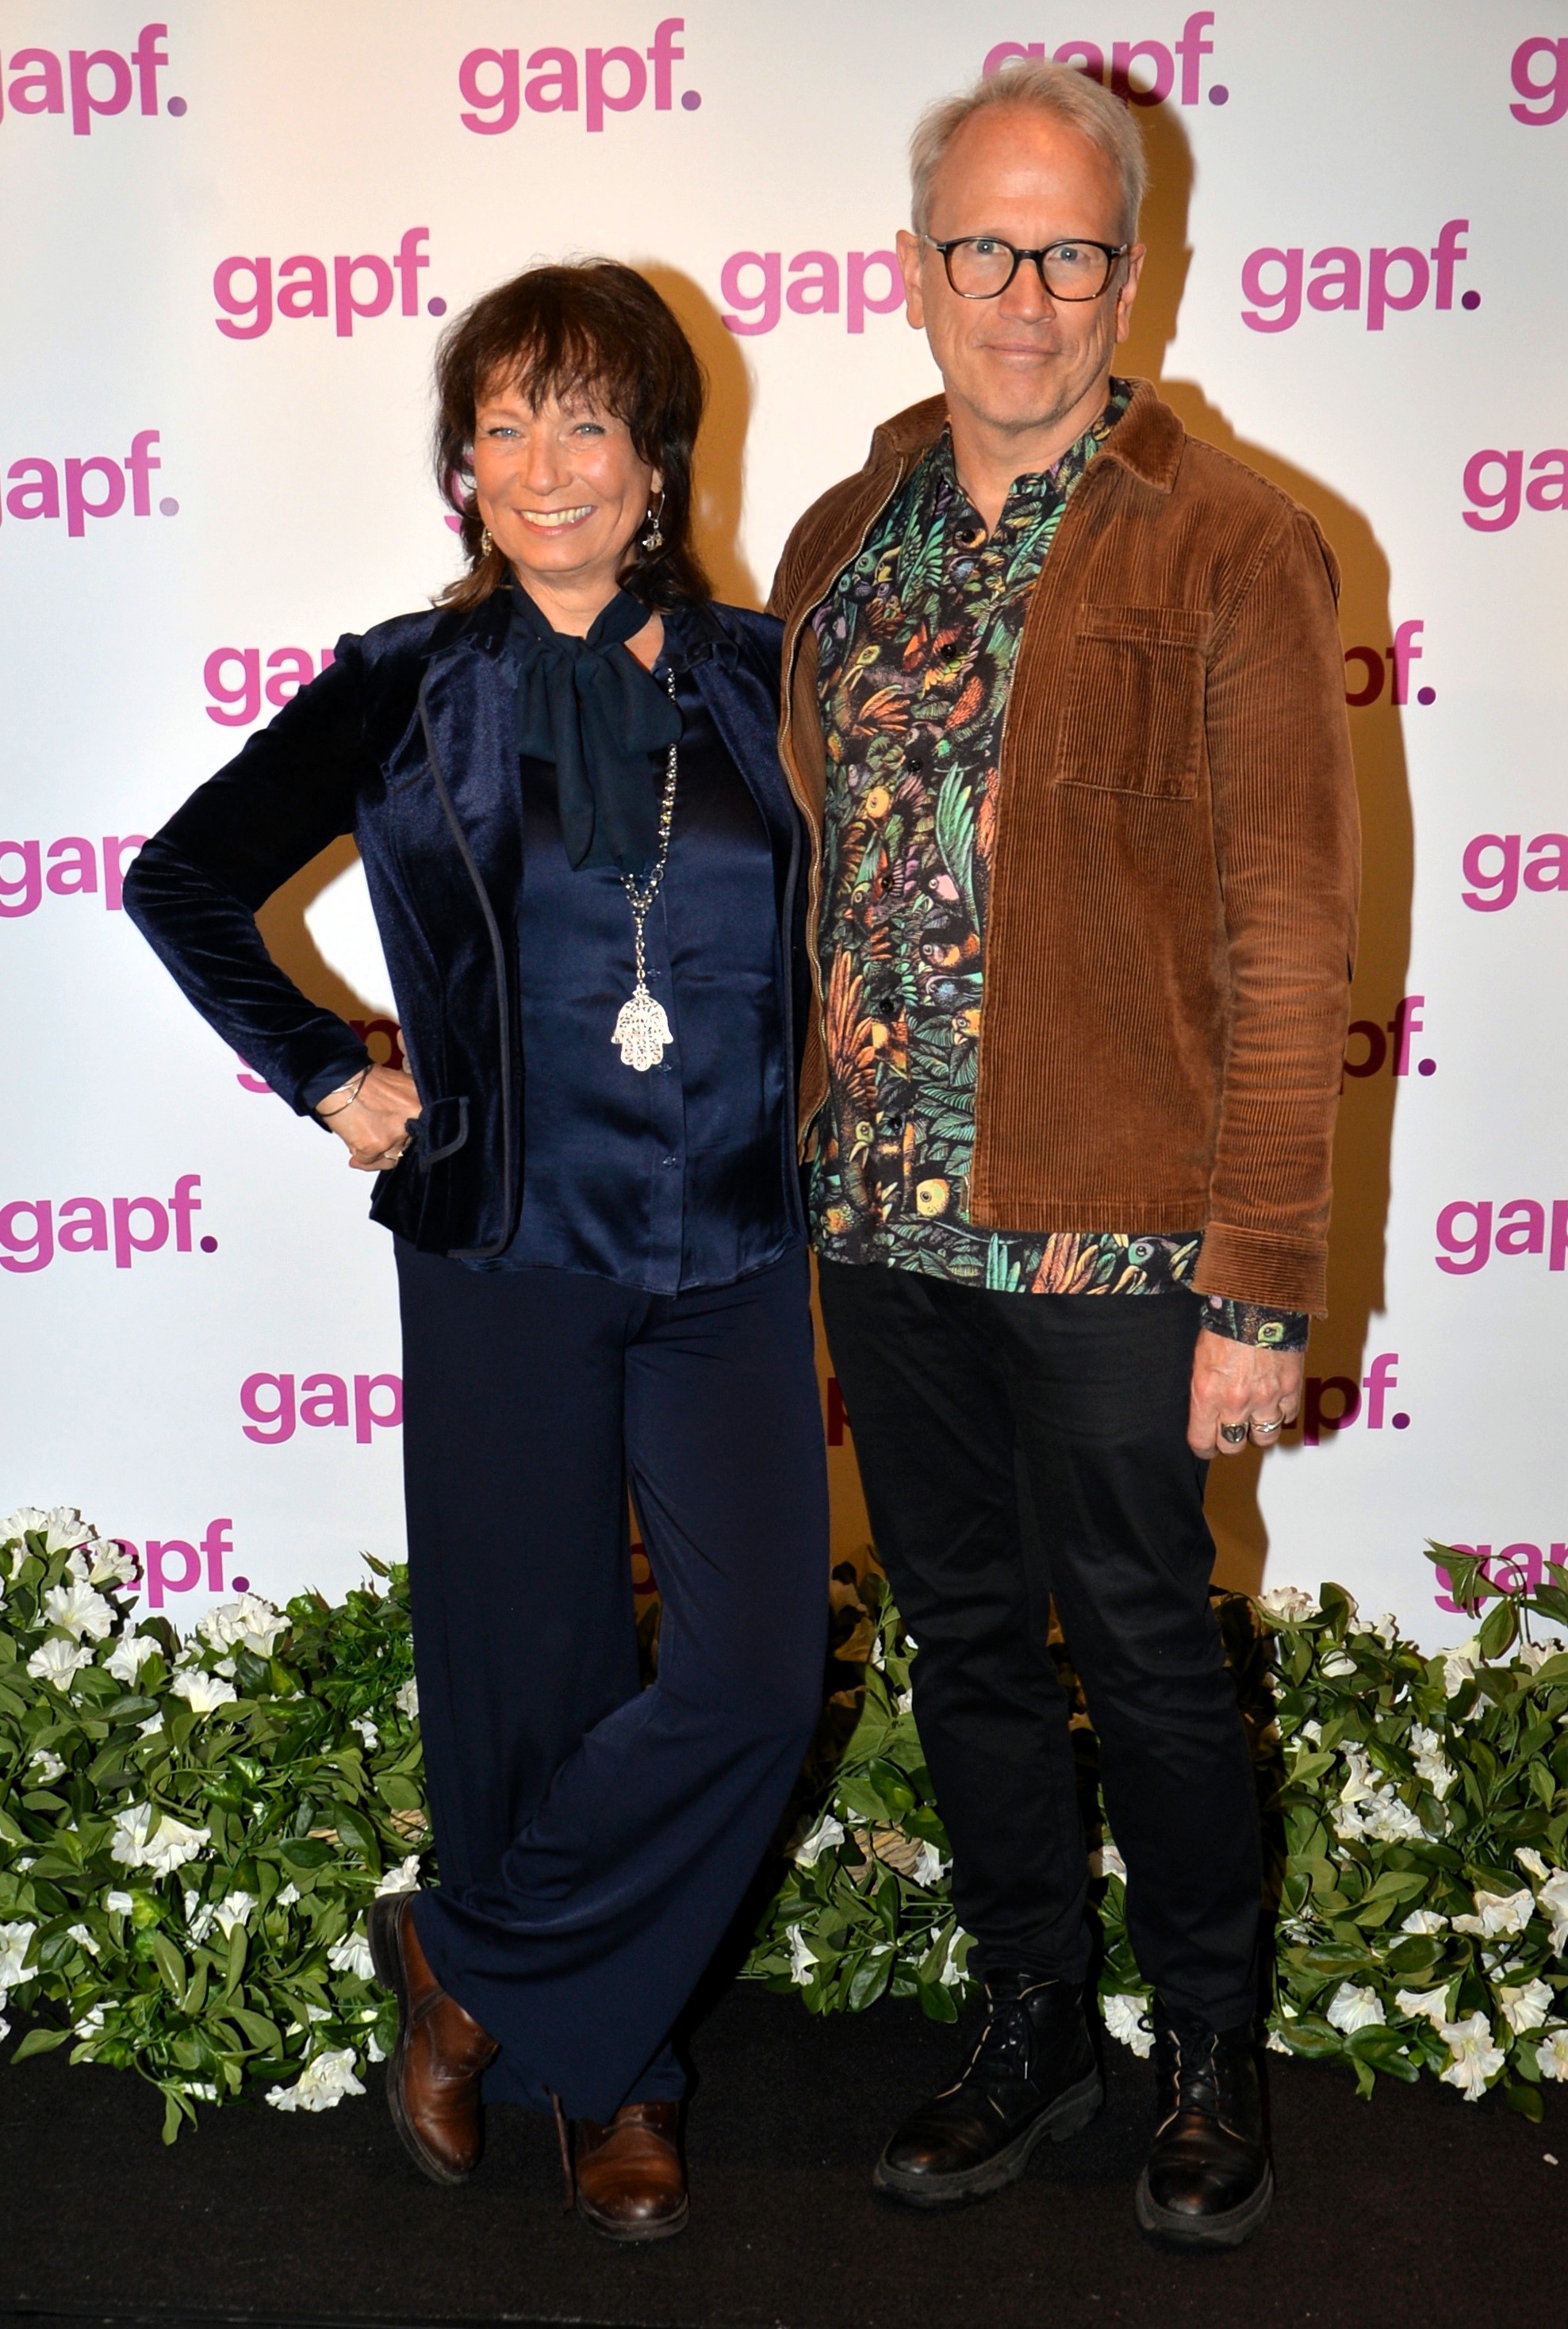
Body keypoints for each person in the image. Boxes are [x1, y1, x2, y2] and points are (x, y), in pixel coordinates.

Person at [124, 260, 829, 2243]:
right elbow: (179, 878)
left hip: (730, 1243)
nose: (542, 464)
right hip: (500, 1242)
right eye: (501, 423)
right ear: (461, 464)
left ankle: (462, 1962)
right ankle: (618, 2074)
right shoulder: (401, 682)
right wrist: (323, 1071)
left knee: (754, 1679)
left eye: (584, 420)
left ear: (656, 457)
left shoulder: (770, 678)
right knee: (527, 1675)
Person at [769, 62, 1359, 2250]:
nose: (1023, 296)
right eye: (984, 249)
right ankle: (1029, 2015)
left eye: (1070, 253)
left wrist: (1259, 1280)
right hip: (878, 1216)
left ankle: (1203, 2042)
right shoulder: (840, 541)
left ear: (1134, 274)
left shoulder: (1231, 541)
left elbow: (1288, 932)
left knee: (1148, 1643)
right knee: (960, 1639)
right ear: (915, 267)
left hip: (1117, 1233)